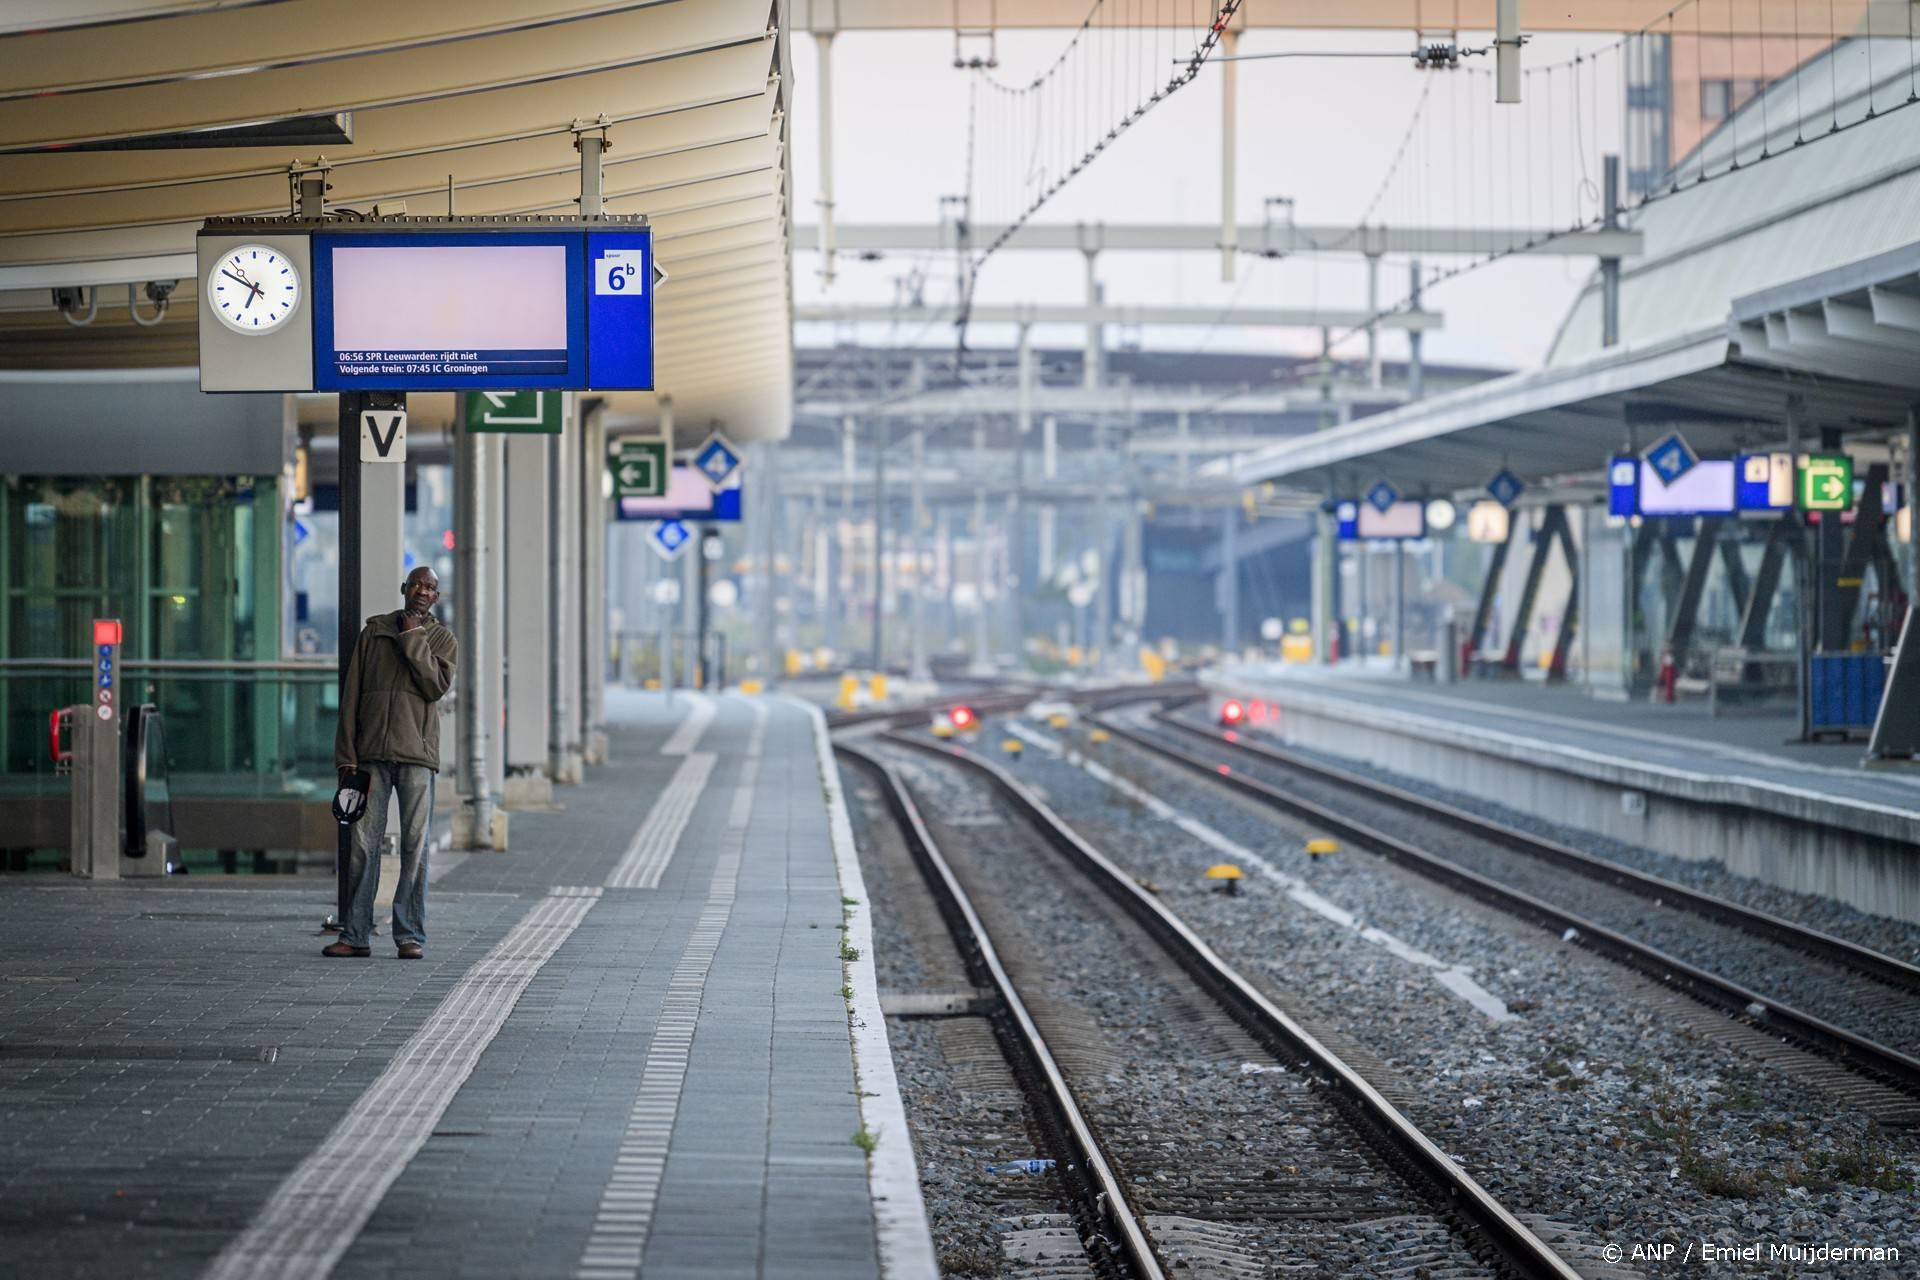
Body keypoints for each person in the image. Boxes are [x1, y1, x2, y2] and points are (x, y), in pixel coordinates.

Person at [323, 566, 457, 959]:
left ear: (435, 597)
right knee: (362, 846)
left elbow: (434, 686)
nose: (422, 591)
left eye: (430, 587)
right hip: (369, 757)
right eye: (416, 584)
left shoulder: (441, 640)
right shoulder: (375, 633)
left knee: (415, 847)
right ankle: (356, 934)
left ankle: (410, 933)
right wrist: (346, 757)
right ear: (404, 588)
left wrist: (413, 636)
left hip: (417, 756)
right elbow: (352, 697)